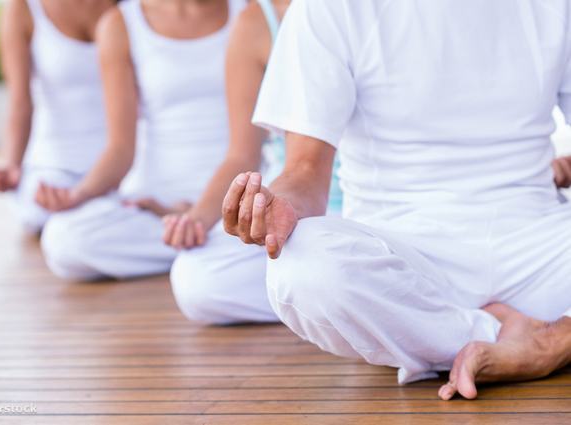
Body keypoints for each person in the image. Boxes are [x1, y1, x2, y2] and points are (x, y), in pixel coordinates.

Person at [221, 0, 571, 400]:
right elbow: (305, 170)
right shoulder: (326, 8)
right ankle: (530, 337)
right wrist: (276, 209)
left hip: (537, 249)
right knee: (302, 267)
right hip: (409, 263)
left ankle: (532, 342)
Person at [37, 0, 245, 280]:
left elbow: (247, 151)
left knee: (245, 232)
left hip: (234, 198)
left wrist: (200, 212)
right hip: (156, 206)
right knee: (63, 239)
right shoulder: (120, 23)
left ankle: (196, 236)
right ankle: (193, 240)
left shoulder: (249, 12)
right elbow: (120, 147)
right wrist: (79, 194)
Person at [165, 0, 342, 325]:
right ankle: (327, 305)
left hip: (366, 205)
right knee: (196, 281)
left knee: (324, 270)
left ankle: (324, 302)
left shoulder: (359, 12)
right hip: (291, 205)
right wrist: (198, 217)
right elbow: (241, 155)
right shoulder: (254, 24)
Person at [0, 0, 116, 233]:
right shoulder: (23, 8)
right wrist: (11, 165)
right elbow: (20, 102)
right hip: (54, 169)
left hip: (123, 166)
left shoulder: (133, 8)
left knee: (130, 206)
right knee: (44, 211)